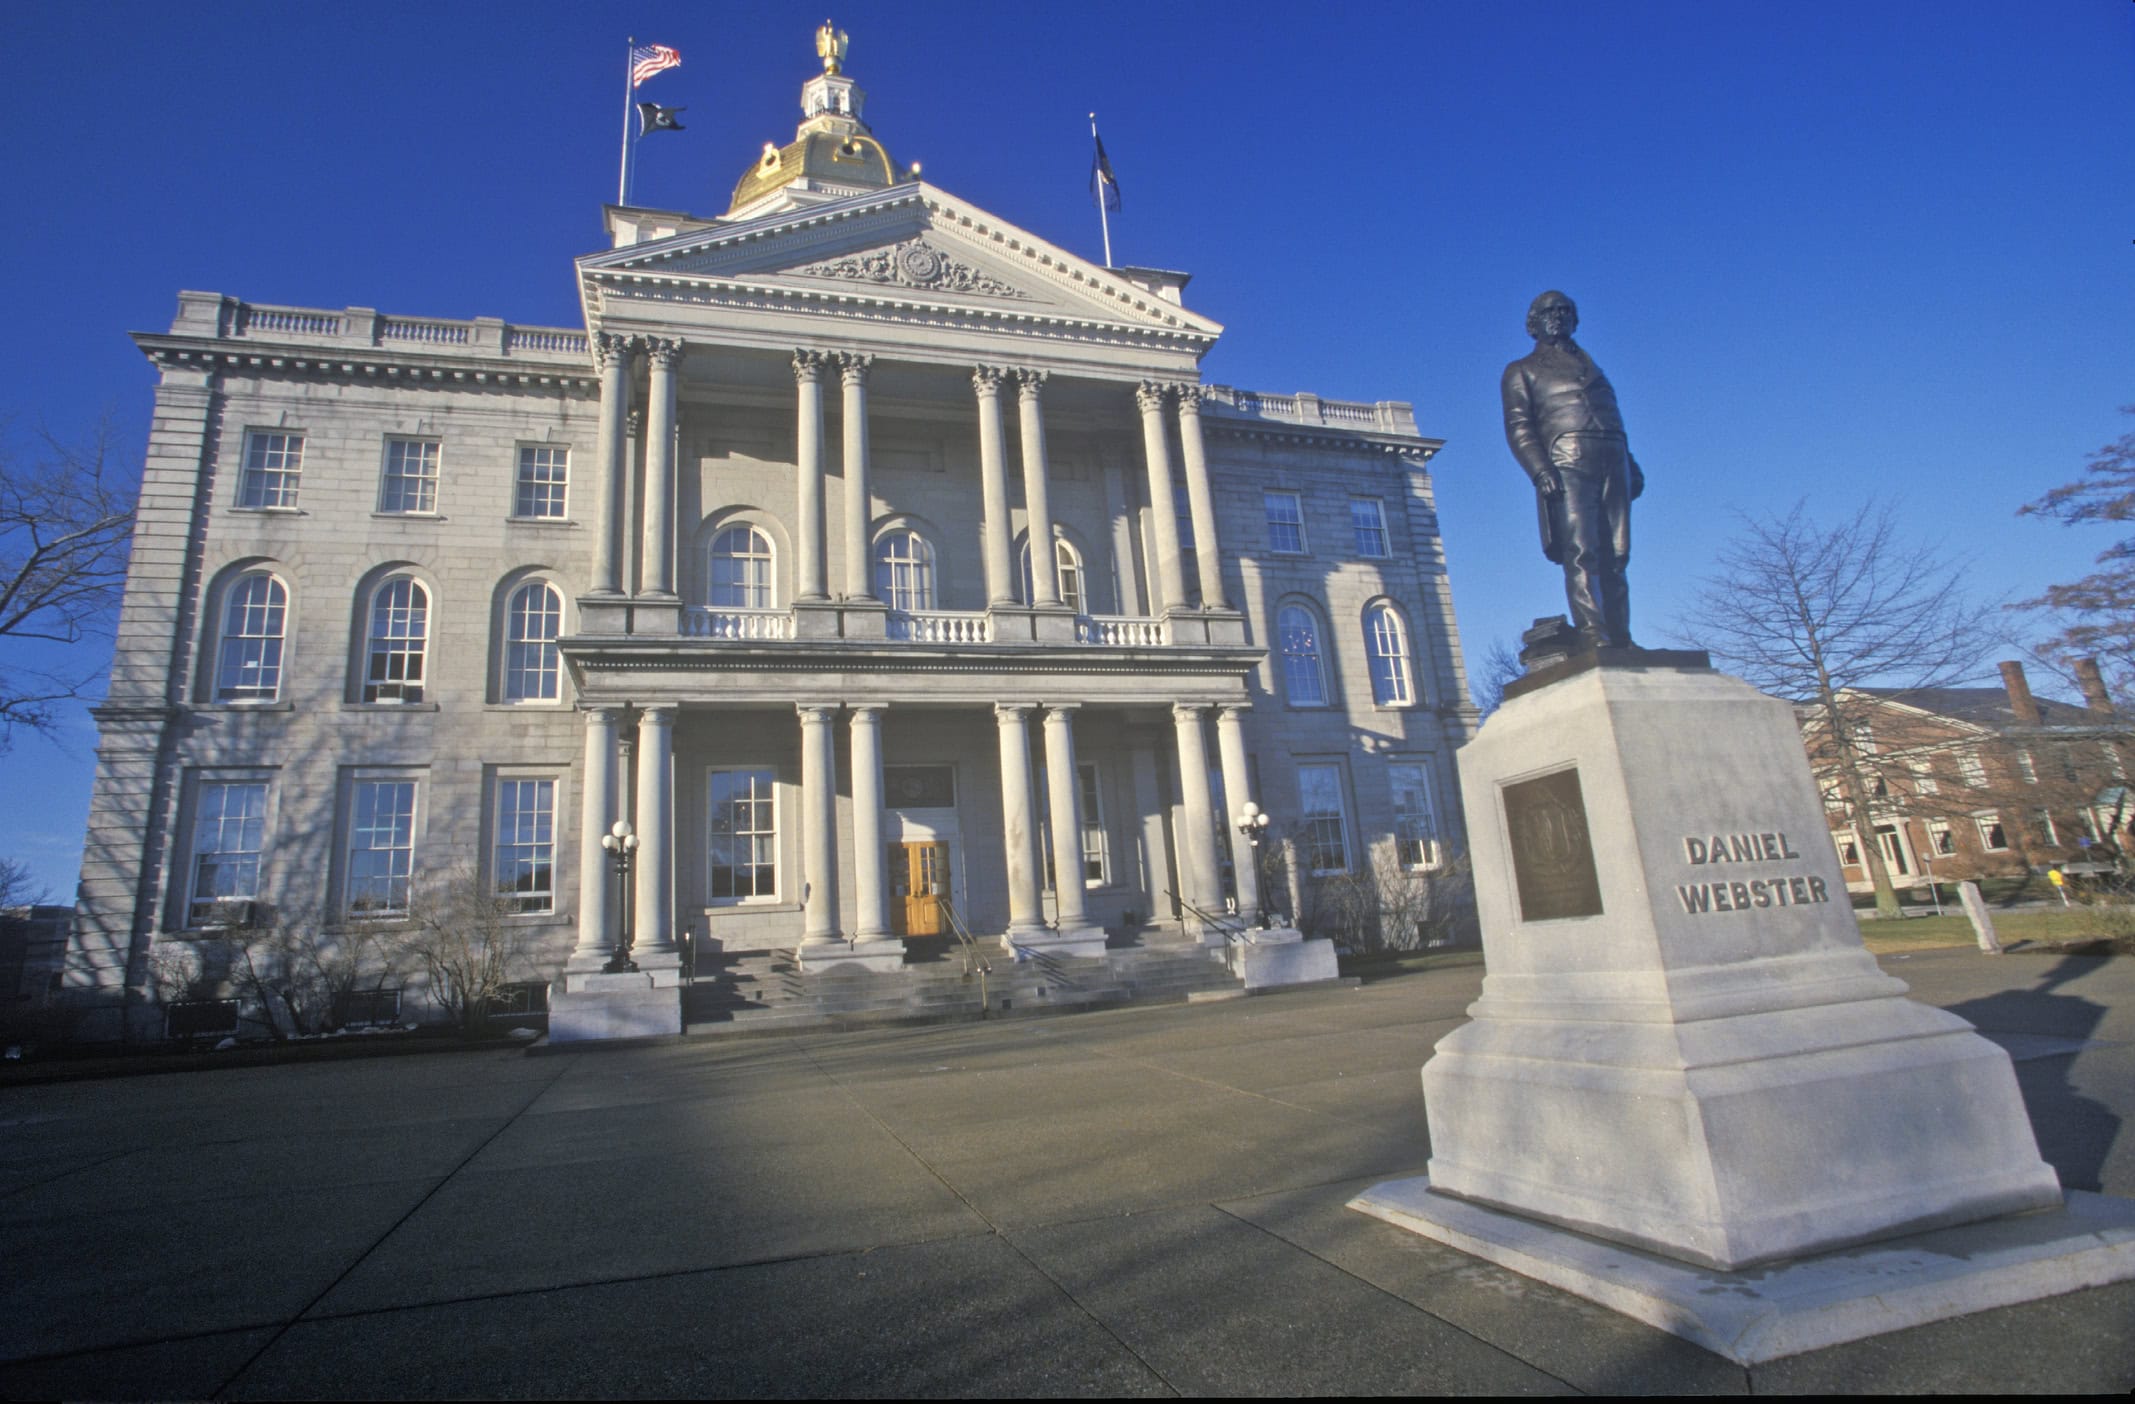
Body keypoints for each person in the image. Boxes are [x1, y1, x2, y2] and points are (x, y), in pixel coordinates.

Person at [1501, 291, 1645, 647]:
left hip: (1612, 455)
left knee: (1618, 553)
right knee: (1582, 550)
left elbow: (1613, 418)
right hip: (1566, 458)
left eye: (1565, 310)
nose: (1558, 316)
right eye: (1549, 311)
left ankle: (1622, 636)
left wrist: (1631, 463)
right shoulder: (1522, 370)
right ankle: (1594, 632)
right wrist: (1540, 471)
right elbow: (1519, 427)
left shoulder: (1592, 365)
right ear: (1533, 323)